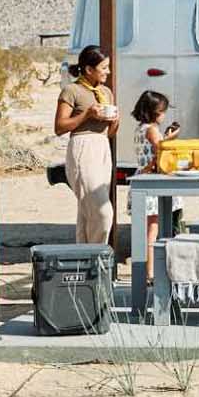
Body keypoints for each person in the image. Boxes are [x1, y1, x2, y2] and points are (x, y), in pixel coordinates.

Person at [52, 44, 120, 249]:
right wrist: (87, 115)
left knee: (86, 212)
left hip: (102, 148)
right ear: (89, 69)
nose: (108, 72)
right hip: (82, 147)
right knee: (102, 211)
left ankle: (84, 261)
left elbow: (110, 132)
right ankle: (96, 253)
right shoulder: (72, 90)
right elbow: (60, 127)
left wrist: (116, 119)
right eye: (104, 68)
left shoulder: (105, 92)